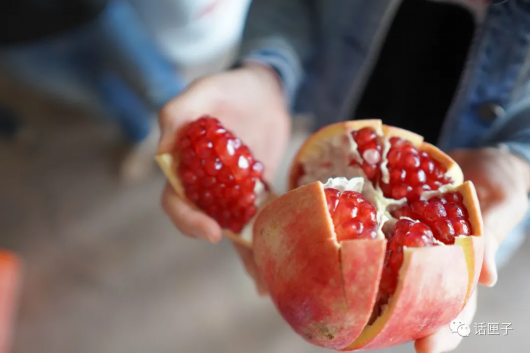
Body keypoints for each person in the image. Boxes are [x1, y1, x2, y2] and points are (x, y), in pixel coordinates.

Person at [158, 0, 530, 351]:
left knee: (404, 321)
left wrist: (520, 162)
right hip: (343, 120)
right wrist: (267, 71)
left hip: (467, 224)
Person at [0, 0, 186, 181]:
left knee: (154, 83)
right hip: (15, 37)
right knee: (103, 95)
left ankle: (190, 149)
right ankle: (141, 135)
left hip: (94, 8)